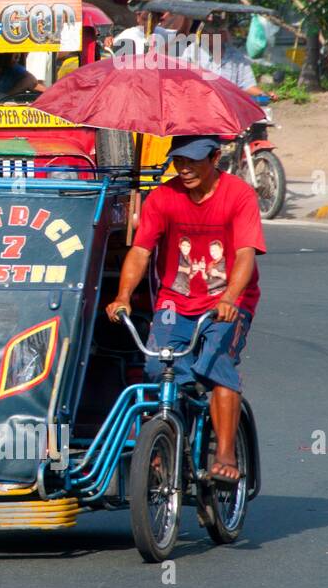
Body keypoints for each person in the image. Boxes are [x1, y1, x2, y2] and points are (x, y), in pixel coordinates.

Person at [105, 135, 266, 486]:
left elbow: (244, 254)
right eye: (179, 160)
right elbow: (141, 251)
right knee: (155, 366)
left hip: (228, 304)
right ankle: (164, 441)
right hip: (173, 303)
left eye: (193, 160)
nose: (185, 168)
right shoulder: (163, 197)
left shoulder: (238, 195)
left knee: (216, 364)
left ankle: (224, 453)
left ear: (215, 157)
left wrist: (229, 298)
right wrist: (123, 296)